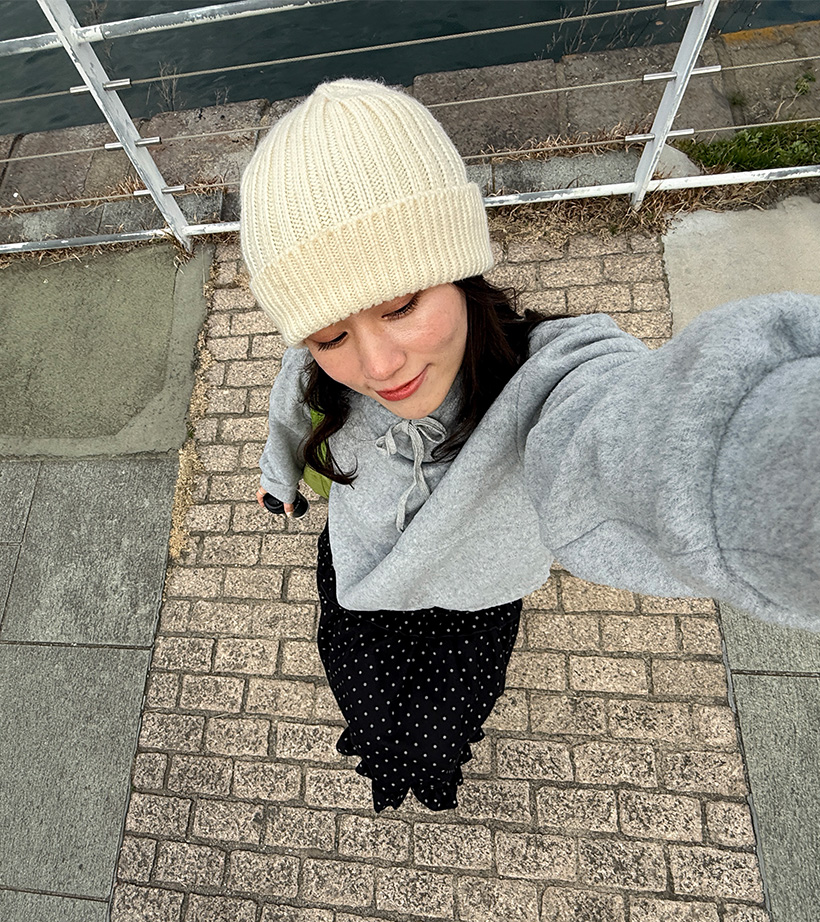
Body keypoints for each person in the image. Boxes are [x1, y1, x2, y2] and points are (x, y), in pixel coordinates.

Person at [240, 77, 820, 813]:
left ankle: (432, 774)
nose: (378, 366)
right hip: (361, 583)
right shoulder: (313, 370)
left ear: (458, 271)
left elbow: (668, 431)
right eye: (331, 336)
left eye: (402, 305)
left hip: (478, 605)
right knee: (370, 717)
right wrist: (279, 476)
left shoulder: (546, 377)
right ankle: (388, 764)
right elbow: (289, 413)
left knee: (444, 732)